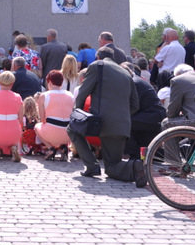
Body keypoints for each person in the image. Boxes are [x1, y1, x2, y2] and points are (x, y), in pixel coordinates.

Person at [68, 47, 146, 187]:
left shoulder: (97, 66)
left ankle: (92, 166)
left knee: (72, 129)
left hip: (100, 123)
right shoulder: (126, 72)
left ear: (98, 57)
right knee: (112, 165)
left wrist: (76, 113)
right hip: (122, 125)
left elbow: (83, 93)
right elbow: (135, 105)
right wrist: (120, 116)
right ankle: (134, 167)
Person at [122, 62, 165, 159]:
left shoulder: (135, 83)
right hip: (150, 115)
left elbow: (134, 106)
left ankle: (132, 154)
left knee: (124, 122)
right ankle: (138, 155)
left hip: (153, 116)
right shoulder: (136, 80)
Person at [34, 70, 74, 161]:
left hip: (52, 132)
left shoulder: (44, 95)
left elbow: (42, 118)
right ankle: (63, 147)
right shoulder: (70, 95)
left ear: (50, 82)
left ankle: (50, 148)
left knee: (37, 127)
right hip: (69, 134)